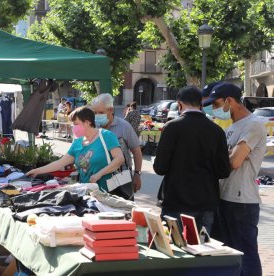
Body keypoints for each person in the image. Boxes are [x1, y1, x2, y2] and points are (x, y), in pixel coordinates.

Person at [203, 83, 266, 276]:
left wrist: (226, 156)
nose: (214, 109)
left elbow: (235, 161)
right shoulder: (232, 127)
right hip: (225, 197)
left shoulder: (253, 124)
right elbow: (227, 158)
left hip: (242, 202)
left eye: (216, 104)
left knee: (246, 255)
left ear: (229, 101)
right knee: (230, 254)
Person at [153, 86, 231, 233]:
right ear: (201, 105)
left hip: (176, 201)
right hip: (206, 202)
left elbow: (160, 167)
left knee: (177, 251)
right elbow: (224, 171)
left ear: (179, 104)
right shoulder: (217, 131)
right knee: (203, 249)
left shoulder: (172, 127)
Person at [27, 106, 124, 192]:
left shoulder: (106, 136)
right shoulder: (77, 143)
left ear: (87, 122)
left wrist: (99, 174)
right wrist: (37, 171)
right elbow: (60, 163)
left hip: (107, 192)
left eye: (76, 124)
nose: (73, 127)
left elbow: (119, 159)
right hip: (87, 192)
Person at [91, 93, 143, 192]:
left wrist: (137, 174)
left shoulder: (124, 126)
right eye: (95, 112)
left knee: (122, 205)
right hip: (96, 177)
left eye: (100, 112)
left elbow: (136, 151)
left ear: (111, 110)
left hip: (121, 177)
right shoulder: (92, 127)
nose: (97, 116)